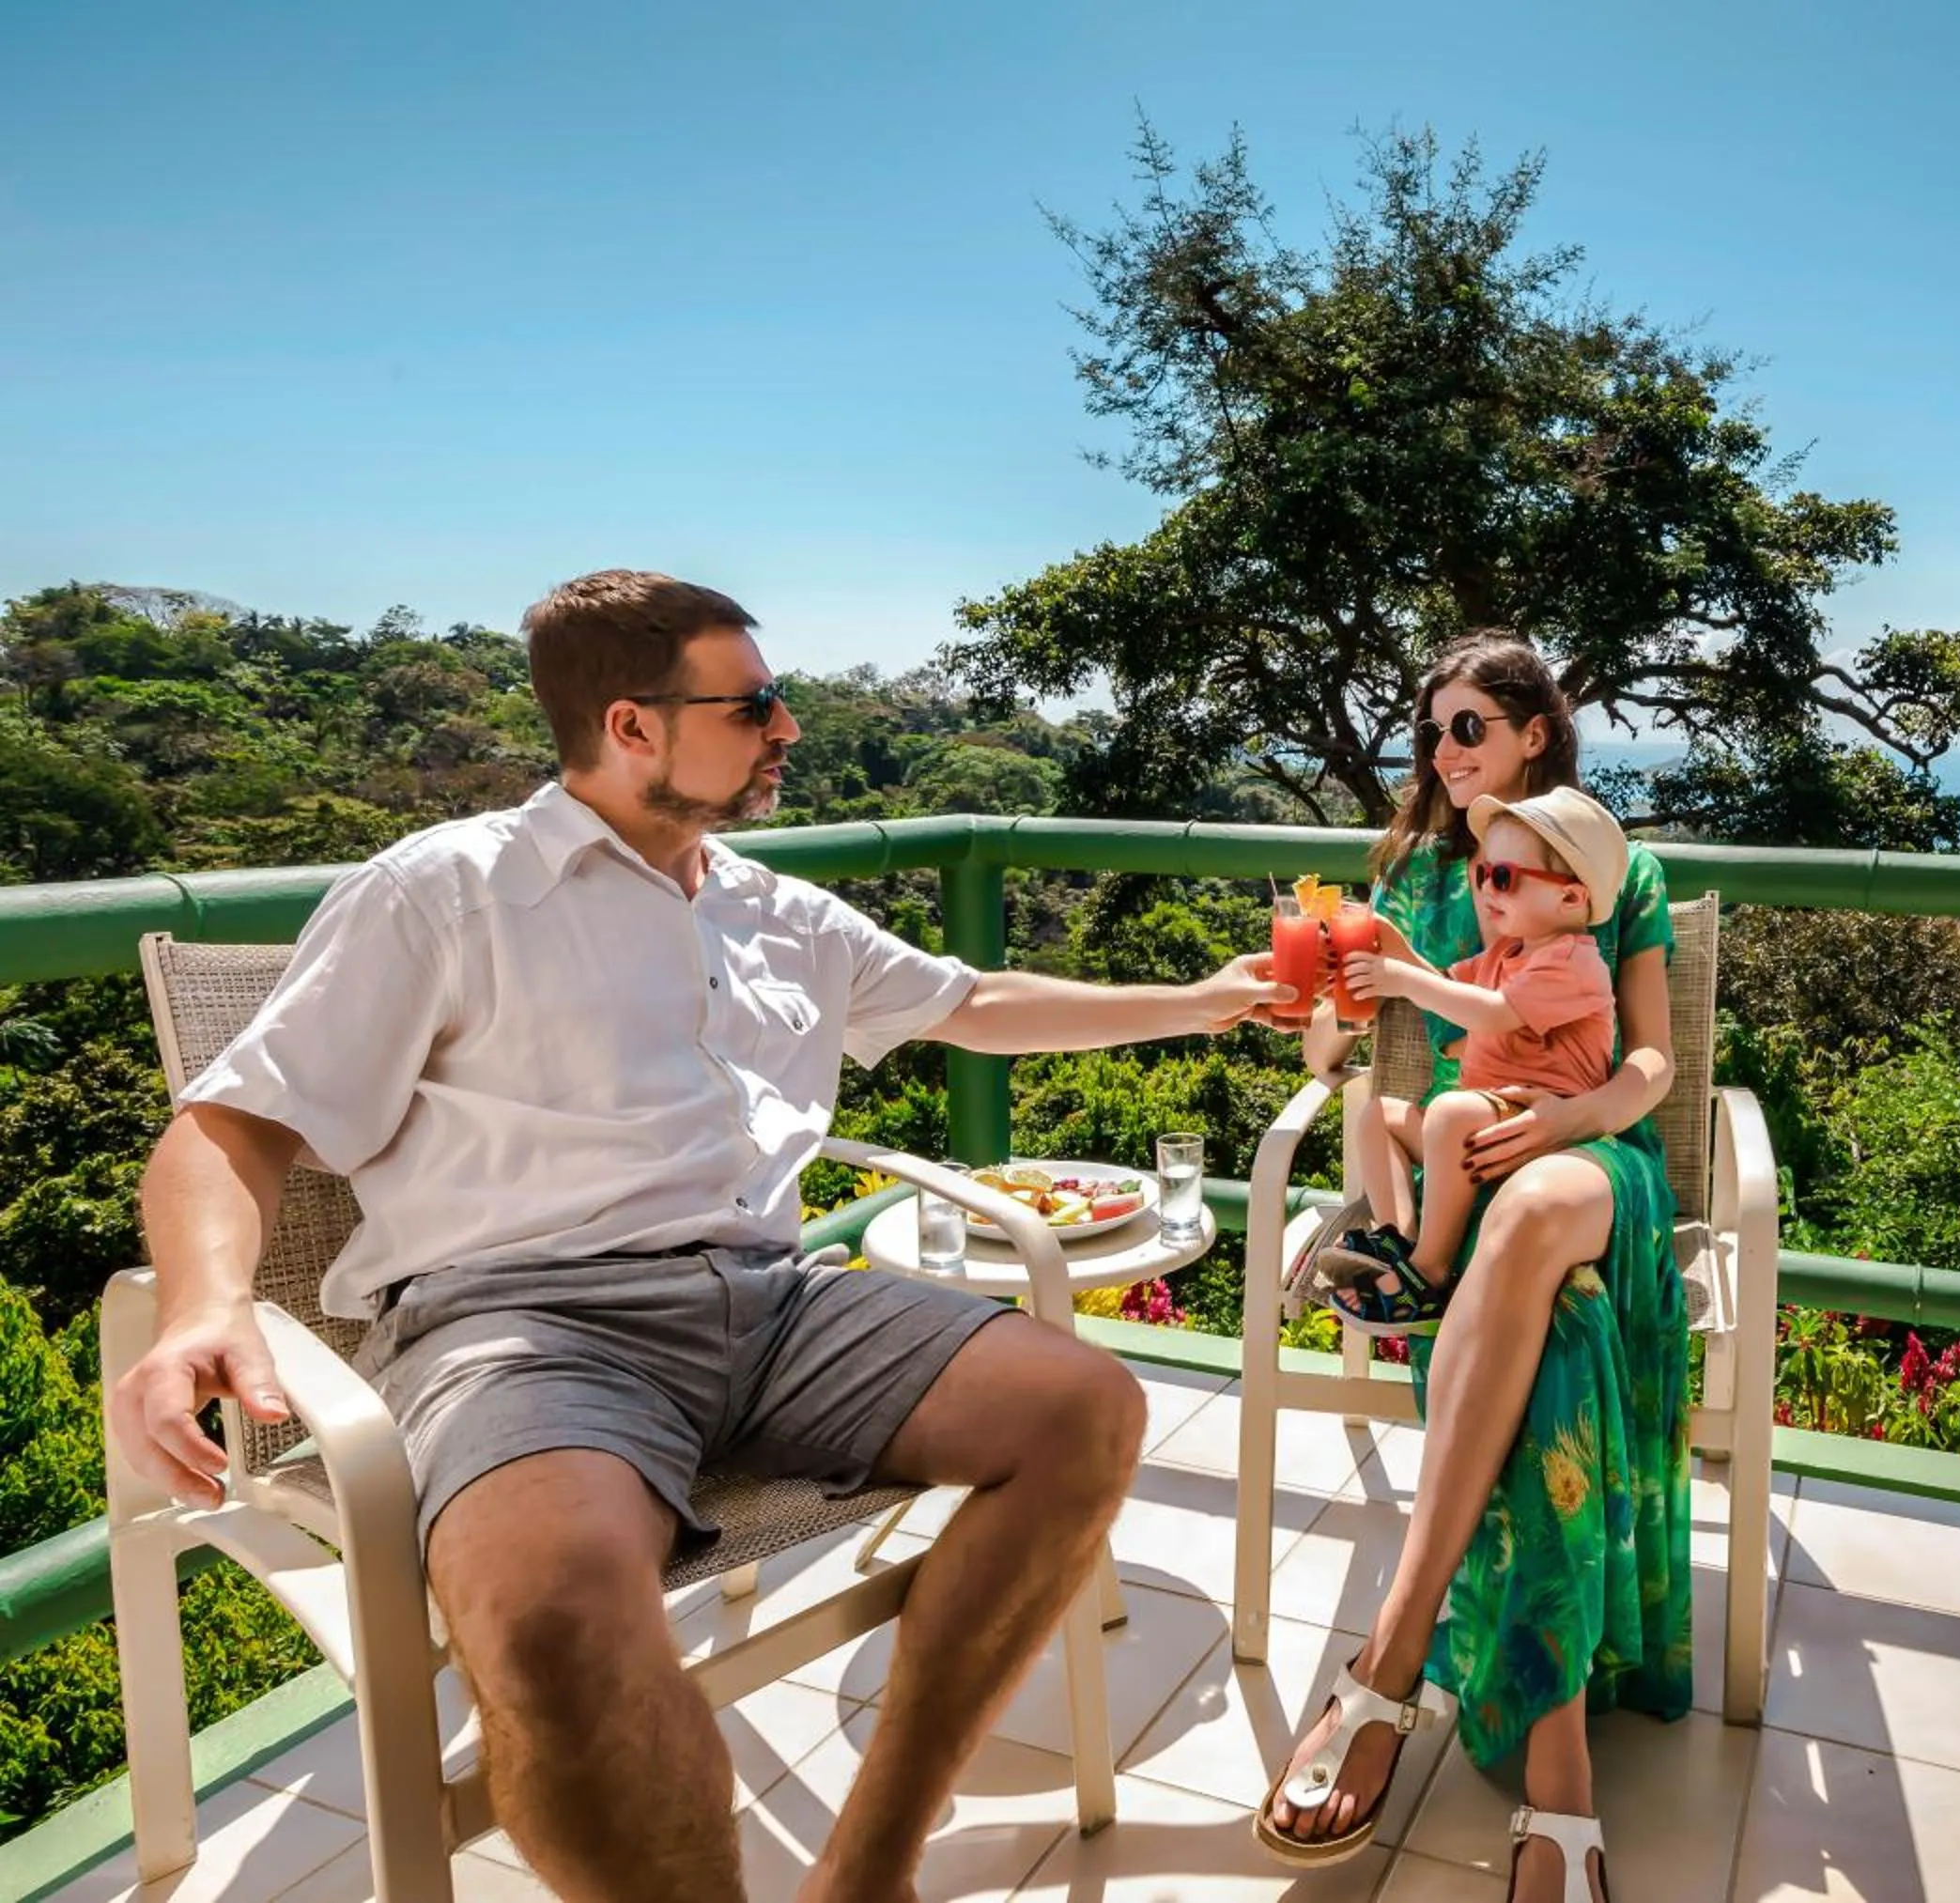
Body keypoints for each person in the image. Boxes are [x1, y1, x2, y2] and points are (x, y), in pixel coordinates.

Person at [102, 570, 1291, 1903]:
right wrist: (206, 1304)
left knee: (1083, 1408)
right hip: (523, 1323)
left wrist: (1203, 1001)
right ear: (632, 725)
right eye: (755, 704)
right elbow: (230, 1125)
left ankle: (867, 1873)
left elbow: (974, 1003)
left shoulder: (773, 906)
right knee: (553, 1624)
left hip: (773, 1303)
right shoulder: (447, 892)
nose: (789, 727)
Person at [1257, 634, 1686, 1903]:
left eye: (1466, 728)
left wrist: (1569, 1119)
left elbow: (1652, 1061)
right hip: (1461, 1171)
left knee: (1540, 1211)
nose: (1441, 752)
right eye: (1431, 729)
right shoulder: (1416, 875)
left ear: (1533, 734)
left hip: (1587, 1156)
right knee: (1555, 1336)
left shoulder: (1615, 868)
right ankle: (1560, 1775)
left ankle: (1386, 1670)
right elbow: (1337, 1054)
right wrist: (1326, 1007)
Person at [1310, 785, 1628, 1335]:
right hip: (1481, 1130)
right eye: (1482, 874)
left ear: (1572, 899)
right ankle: (1398, 1240)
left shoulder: (1574, 963)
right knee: (1379, 1115)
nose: (1486, 889)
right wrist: (1394, 946)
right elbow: (1445, 989)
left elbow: (1495, 1013)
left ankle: (1430, 1275)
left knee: (1451, 1111)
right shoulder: (1507, 953)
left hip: (1541, 1136)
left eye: (1504, 877)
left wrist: (1400, 978)